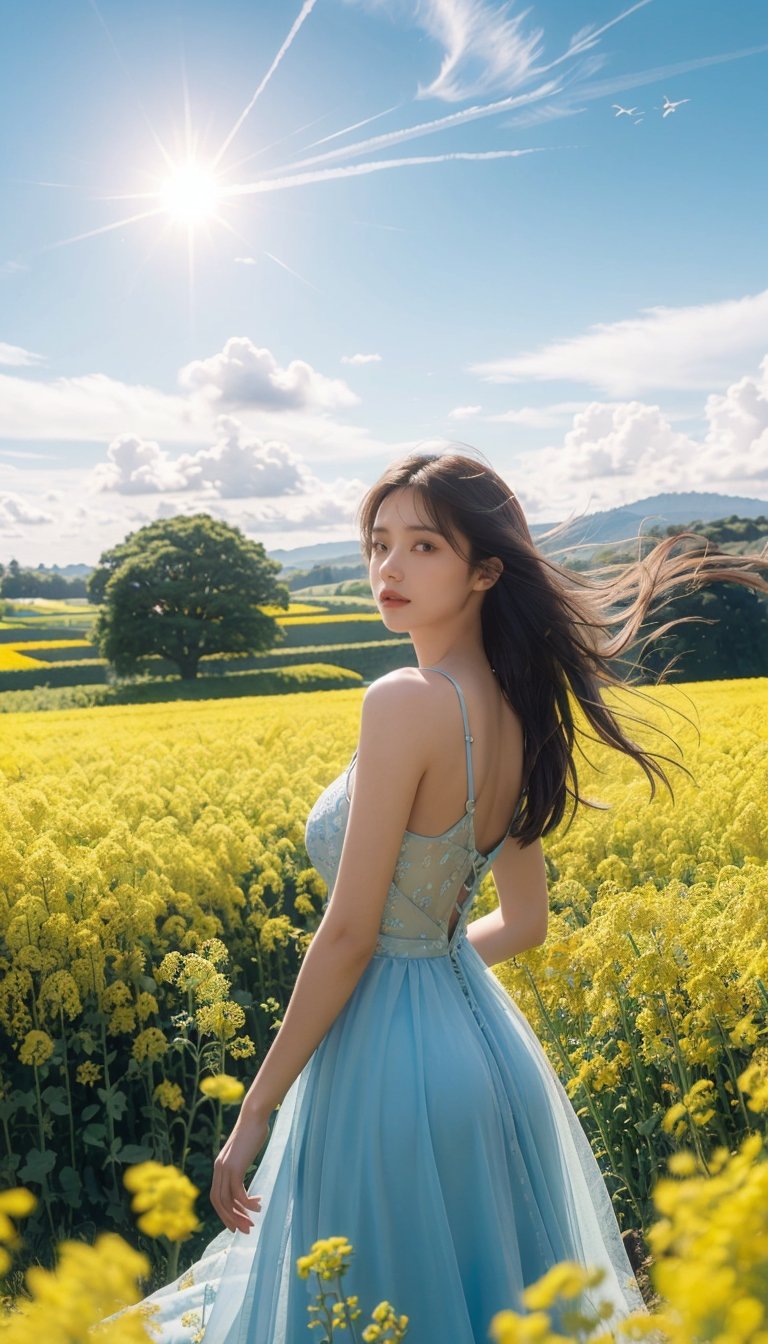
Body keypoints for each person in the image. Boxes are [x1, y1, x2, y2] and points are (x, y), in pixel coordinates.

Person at [105, 448, 768, 1343]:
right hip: (489, 1066)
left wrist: (253, 1111)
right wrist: (426, 966)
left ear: (485, 570)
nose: (389, 568)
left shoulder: (405, 700)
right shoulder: (523, 709)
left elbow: (346, 937)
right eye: (380, 543)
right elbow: (524, 925)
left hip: (388, 1076)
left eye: (424, 546)